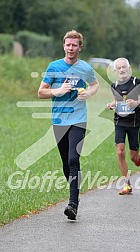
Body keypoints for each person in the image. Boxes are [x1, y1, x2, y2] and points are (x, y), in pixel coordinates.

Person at [38, 30, 99, 220]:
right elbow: (41, 92)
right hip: (59, 120)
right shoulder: (54, 67)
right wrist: (58, 90)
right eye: (68, 45)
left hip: (79, 119)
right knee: (66, 162)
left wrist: (88, 93)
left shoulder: (86, 68)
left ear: (80, 47)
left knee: (74, 159)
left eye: (74, 45)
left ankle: (73, 204)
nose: (71, 48)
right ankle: (75, 191)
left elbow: (95, 85)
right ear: (63, 45)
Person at [107, 58, 140, 195]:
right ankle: (127, 184)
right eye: (119, 68)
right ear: (115, 71)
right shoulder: (114, 85)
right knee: (120, 151)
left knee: (133, 157)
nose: (121, 70)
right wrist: (111, 105)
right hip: (119, 122)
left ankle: (137, 158)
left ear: (129, 68)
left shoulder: (137, 82)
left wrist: (137, 103)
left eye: (124, 67)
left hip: (133, 123)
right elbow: (117, 102)